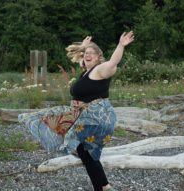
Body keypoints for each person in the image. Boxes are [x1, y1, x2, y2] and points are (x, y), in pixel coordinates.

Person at [18, 31, 134, 191]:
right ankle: (106, 187)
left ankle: (102, 188)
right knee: (87, 152)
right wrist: (83, 47)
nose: (88, 55)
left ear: (99, 57)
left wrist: (121, 45)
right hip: (86, 116)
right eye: (86, 54)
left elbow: (113, 62)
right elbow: (81, 58)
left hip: (96, 117)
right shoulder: (86, 71)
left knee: (84, 150)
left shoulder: (100, 70)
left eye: (92, 54)